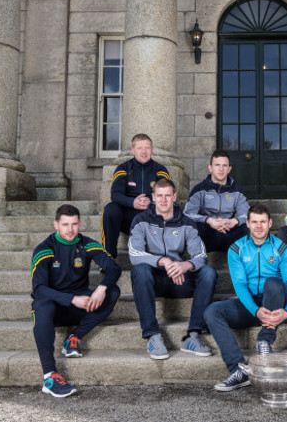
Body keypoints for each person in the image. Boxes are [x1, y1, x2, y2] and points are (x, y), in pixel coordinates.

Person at [204, 204, 287, 391]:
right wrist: (255, 310)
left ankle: (265, 340)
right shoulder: (237, 249)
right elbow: (239, 285)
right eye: (254, 222)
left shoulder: (281, 249)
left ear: (270, 223)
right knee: (212, 311)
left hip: (273, 304)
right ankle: (239, 370)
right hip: (250, 305)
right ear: (247, 223)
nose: (258, 226)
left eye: (263, 222)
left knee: (274, 283)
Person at [31, 204, 121, 397]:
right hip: (54, 307)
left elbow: (113, 268)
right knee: (41, 305)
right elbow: (39, 289)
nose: (70, 229)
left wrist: (101, 289)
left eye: (74, 224)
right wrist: (71, 299)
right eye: (65, 224)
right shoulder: (45, 249)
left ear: (80, 224)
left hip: (82, 305)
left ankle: (74, 338)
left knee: (113, 292)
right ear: (56, 224)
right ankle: (50, 376)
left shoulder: (87, 244)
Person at [128, 178, 217, 360]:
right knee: (139, 270)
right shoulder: (140, 220)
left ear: (174, 196)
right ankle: (152, 335)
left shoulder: (187, 223)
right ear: (153, 197)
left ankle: (192, 336)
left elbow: (201, 256)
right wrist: (163, 261)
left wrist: (186, 265)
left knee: (208, 273)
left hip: (179, 279)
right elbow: (134, 254)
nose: (163, 200)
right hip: (152, 281)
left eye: (167, 195)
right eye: (159, 196)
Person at [101, 133, 170, 258]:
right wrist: (133, 202)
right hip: (128, 217)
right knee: (110, 209)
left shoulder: (160, 170)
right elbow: (115, 194)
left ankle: (164, 253)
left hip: (151, 216)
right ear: (133, 150)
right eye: (140, 148)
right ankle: (108, 256)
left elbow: (167, 193)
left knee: (171, 206)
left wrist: (150, 201)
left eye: (147, 148)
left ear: (152, 149)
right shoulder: (123, 168)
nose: (144, 151)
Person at [184, 150, 249, 252]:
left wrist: (234, 221)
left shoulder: (238, 191)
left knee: (249, 226)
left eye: (224, 165)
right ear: (210, 168)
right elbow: (188, 214)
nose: (221, 169)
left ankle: (246, 261)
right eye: (217, 165)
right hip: (209, 234)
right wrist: (209, 221)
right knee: (194, 226)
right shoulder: (199, 189)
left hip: (230, 233)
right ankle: (198, 261)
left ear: (229, 169)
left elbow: (246, 215)